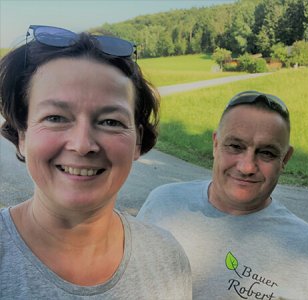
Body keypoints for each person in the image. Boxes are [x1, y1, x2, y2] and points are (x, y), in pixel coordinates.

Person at [0, 25, 191, 299]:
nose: (82, 144)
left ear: (137, 141)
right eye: (55, 117)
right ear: (22, 135)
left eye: (110, 121)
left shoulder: (166, 258)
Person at [137, 90, 308, 299]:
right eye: (235, 146)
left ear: (285, 159)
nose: (247, 167)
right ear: (216, 144)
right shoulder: (163, 204)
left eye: (267, 153)